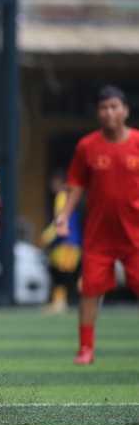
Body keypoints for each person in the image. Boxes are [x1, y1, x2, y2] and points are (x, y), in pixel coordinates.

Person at [54, 85, 139, 366]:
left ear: (125, 110)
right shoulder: (87, 146)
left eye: (114, 106)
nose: (109, 112)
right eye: (104, 107)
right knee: (90, 290)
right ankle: (86, 348)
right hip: (99, 234)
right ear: (98, 113)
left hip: (135, 234)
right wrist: (65, 213)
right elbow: (76, 185)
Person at [39, 169, 82, 314]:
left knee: (66, 275)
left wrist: (46, 236)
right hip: (62, 243)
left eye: (55, 182)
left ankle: (92, 296)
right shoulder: (67, 196)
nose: (52, 185)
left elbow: (60, 221)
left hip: (68, 243)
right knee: (59, 273)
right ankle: (59, 302)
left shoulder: (62, 196)